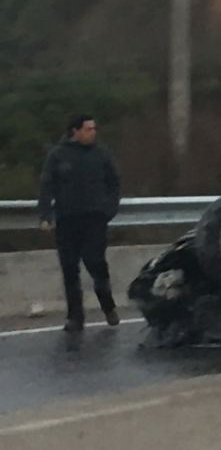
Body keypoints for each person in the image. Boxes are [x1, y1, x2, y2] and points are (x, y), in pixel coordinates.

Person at [38, 115, 121, 332]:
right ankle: (75, 317)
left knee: (95, 262)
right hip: (67, 219)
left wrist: (108, 209)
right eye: (88, 129)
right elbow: (47, 185)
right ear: (75, 131)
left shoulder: (101, 154)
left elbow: (114, 182)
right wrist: (45, 215)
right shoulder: (58, 155)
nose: (93, 132)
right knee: (69, 268)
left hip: (94, 218)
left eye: (94, 128)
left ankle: (108, 304)